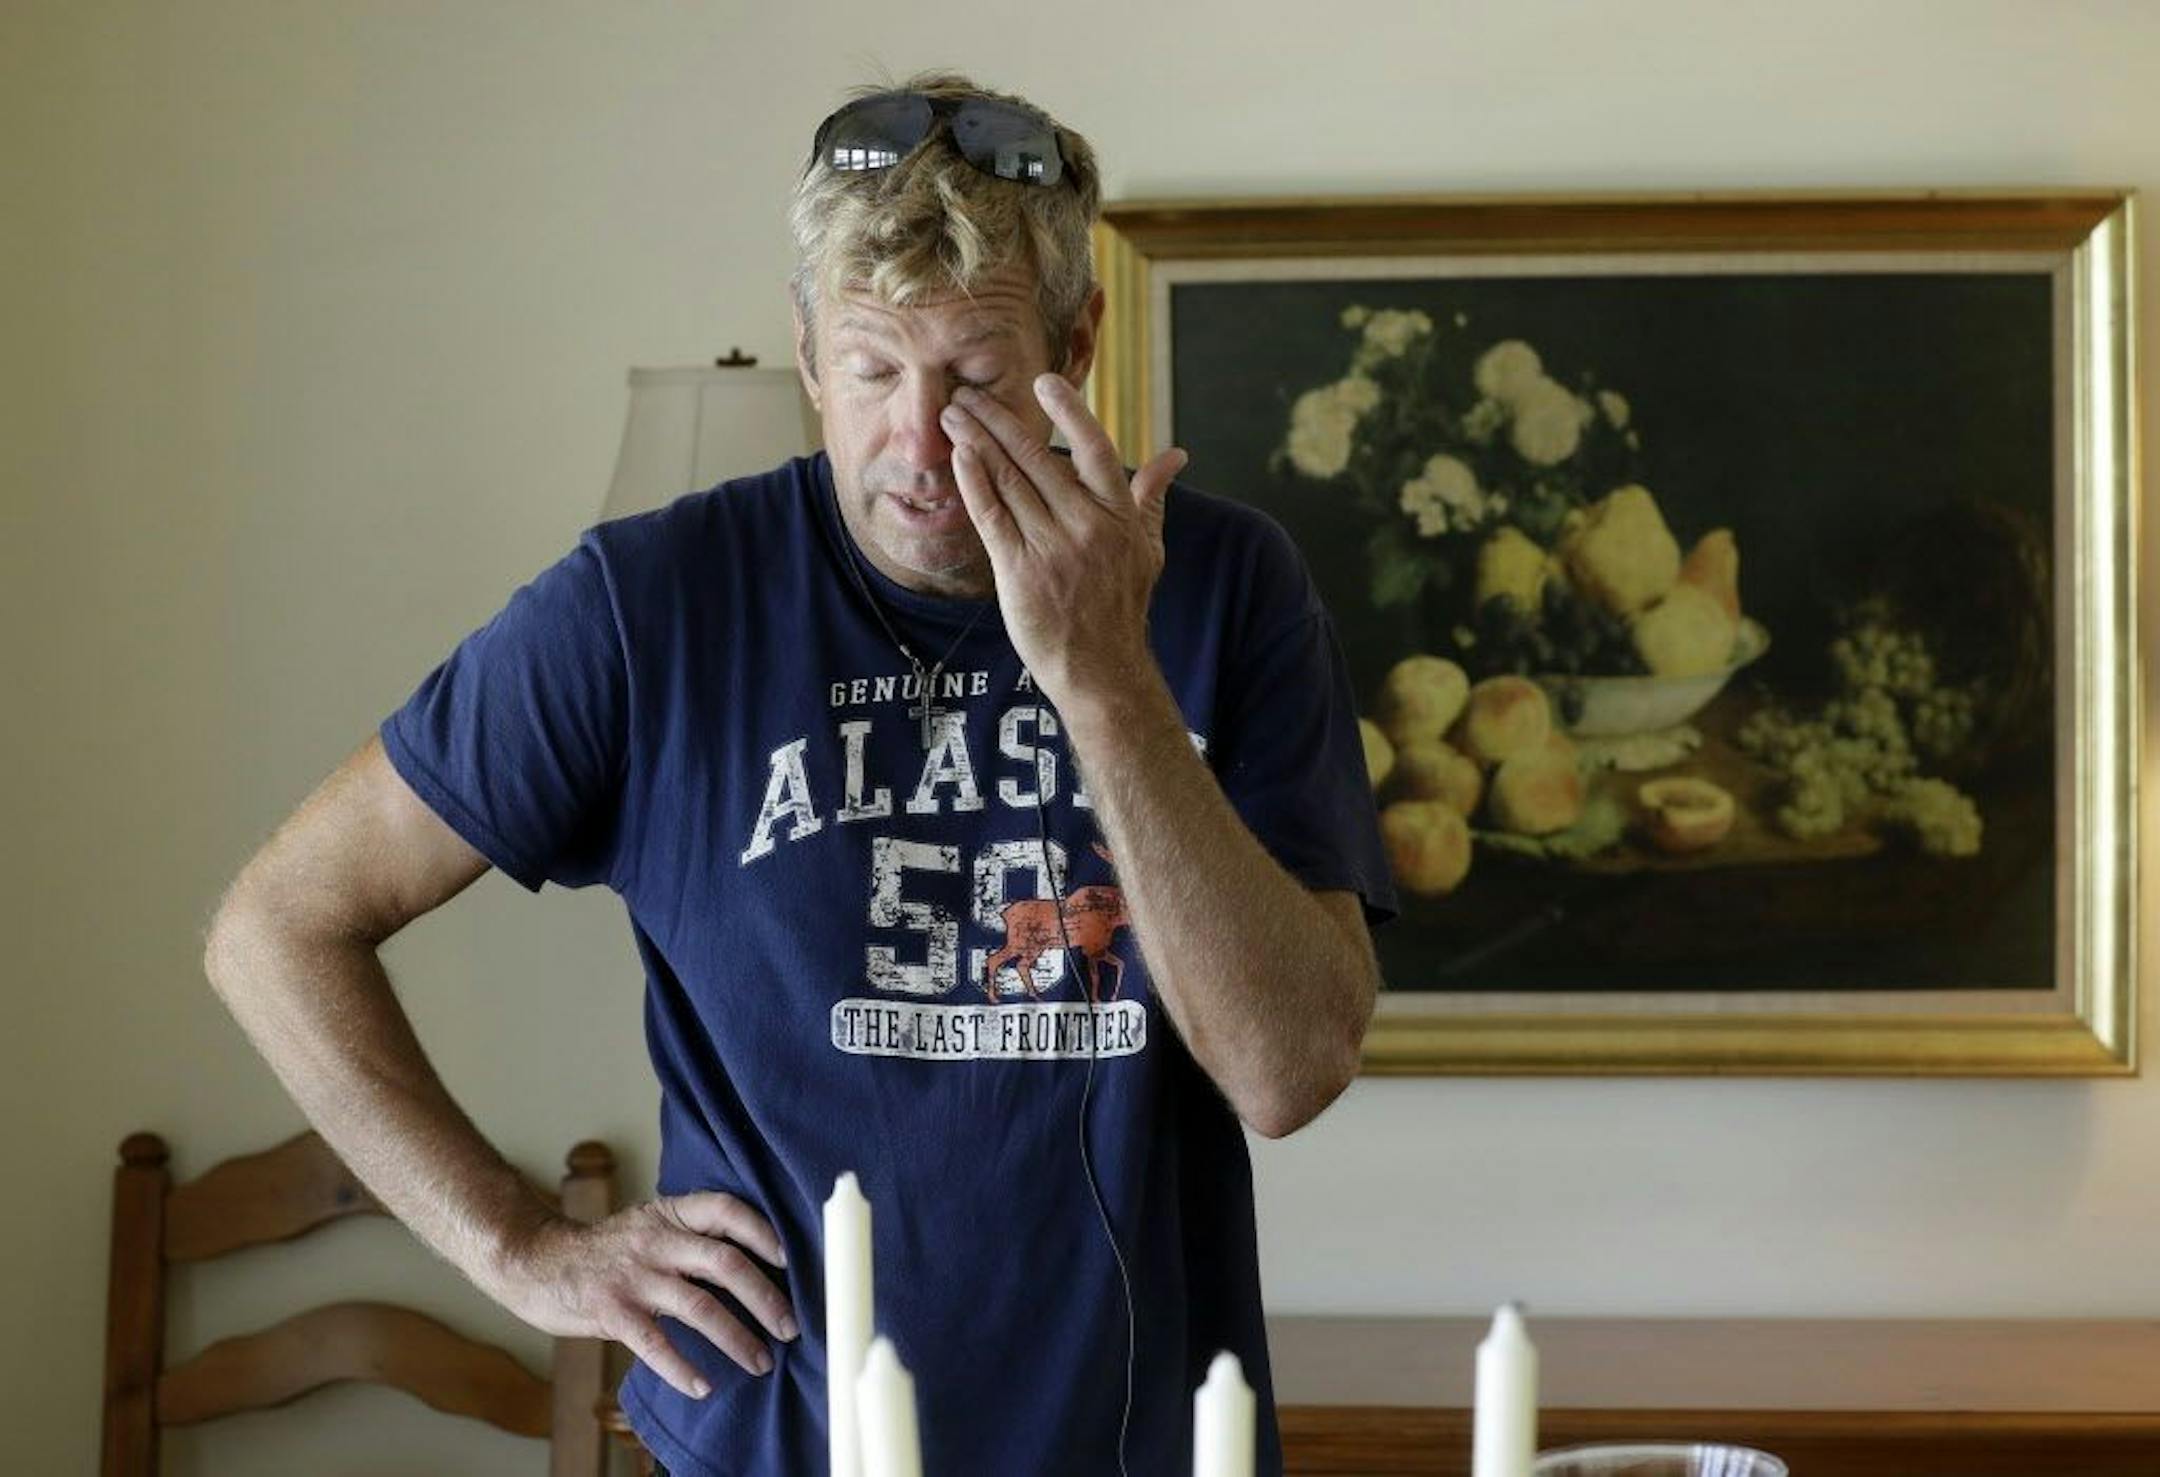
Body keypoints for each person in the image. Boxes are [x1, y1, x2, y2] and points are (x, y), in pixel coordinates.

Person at [203, 71, 1395, 1477]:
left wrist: (1105, 677)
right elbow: (275, 927)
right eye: (875, 367)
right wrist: (519, 1244)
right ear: (808, 352)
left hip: (1142, 1442)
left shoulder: (1224, 587)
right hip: (769, 1443)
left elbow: (1289, 1069)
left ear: (1078, 341)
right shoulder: (648, 607)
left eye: (977, 373)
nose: (917, 442)